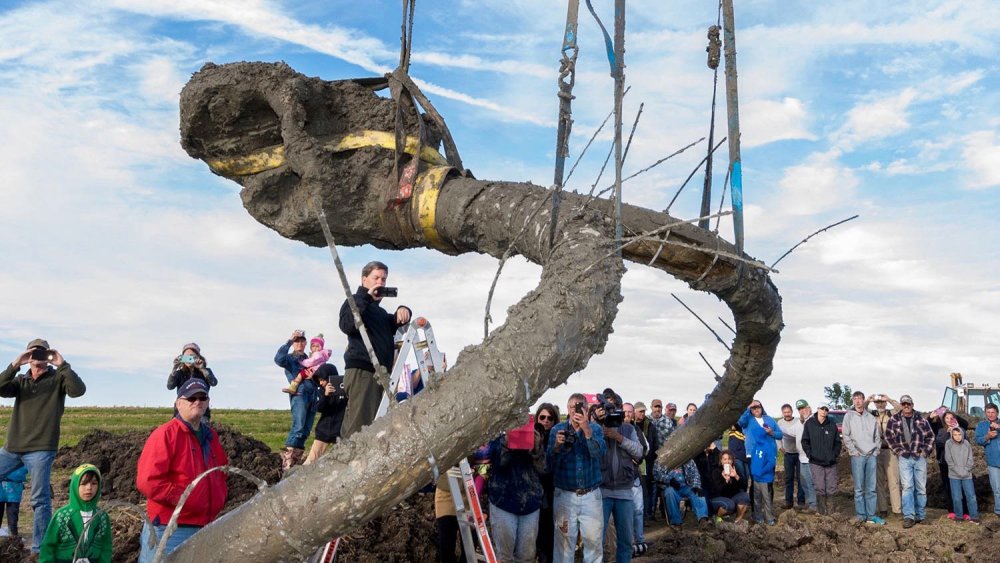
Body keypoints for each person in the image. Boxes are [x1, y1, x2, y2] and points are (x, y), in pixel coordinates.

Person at [0, 338, 86, 553]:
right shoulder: (20, 381)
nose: (37, 358)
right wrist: (15, 363)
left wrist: (62, 364)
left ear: (49, 356)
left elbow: (78, 391)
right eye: (33, 353)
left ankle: (40, 549)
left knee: (40, 499)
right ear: (28, 356)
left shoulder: (58, 379)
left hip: (41, 448)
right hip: (13, 447)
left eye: (42, 354)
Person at [136, 379, 228, 562]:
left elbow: (222, 472)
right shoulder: (165, 434)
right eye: (191, 398)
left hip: (205, 526)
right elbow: (148, 481)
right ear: (179, 403)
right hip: (170, 528)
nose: (197, 401)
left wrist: (219, 496)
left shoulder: (211, 436)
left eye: (202, 397)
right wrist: (184, 498)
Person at [339, 261, 412, 439]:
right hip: (363, 370)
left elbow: (390, 324)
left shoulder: (378, 312)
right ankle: (347, 463)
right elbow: (347, 324)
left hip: (379, 373)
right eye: (376, 278)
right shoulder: (354, 300)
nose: (380, 283)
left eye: (384, 279)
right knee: (359, 426)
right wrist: (367, 298)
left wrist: (403, 311)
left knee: (374, 424)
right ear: (364, 279)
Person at [546, 393, 606, 563]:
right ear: (567, 409)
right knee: (563, 547)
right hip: (565, 495)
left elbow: (599, 453)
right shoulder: (558, 430)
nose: (575, 411)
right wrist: (557, 446)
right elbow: (549, 465)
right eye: (572, 407)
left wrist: (586, 430)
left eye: (579, 407)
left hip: (591, 495)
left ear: (586, 409)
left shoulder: (595, 429)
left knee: (594, 545)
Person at [487, 425, 545, 563]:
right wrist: (507, 443)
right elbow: (498, 463)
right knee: (504, 557)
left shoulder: (534, 432)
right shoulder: (497, 433)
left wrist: (537, 449)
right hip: (503, 501)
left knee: (527, 557)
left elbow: (544, 469)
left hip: (530, 503)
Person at [595, 392, 642, 563]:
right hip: (602, 491)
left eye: (614, 407)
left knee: (626, 541)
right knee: (597, 540)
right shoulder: (596, 427)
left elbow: (639, 452)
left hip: (624, 492)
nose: (611, 412)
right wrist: (596, 424)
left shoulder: (629, 429)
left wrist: (619, 438)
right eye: (607, 408)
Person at [39, 463, 112, 563]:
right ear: (75, 485)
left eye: (94, 483)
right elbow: (48, 546)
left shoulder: (102, 516)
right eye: (83, 483)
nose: (89, 487)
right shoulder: (62, 515)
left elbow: (106, 546)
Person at [884, 394, 935, 528]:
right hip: (905, 458)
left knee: (921, 488)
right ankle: (908, 516)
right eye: (904, 404)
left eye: (909, 404)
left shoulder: (922, 420)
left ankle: (921, 515)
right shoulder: (894, 419)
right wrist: (898, 450)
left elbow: (930, 436)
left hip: (919, 458)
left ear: (912, 405)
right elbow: (888, 436)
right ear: (901, 405)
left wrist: (924, 452)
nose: (906, 406)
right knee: (907, 487)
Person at [274, 330, 316, 471]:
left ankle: (295, 462)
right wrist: (289, 341)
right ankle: (287, 463)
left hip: (313, 395)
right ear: (293, 343)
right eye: (297, 341)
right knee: (298, 427)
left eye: (302, 341)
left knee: (305, 430)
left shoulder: (310, 359)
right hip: (299, 395)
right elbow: (278, 359)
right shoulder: (290, 359)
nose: (300, 343)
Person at [842, 391, 884, 525]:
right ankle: (861, 515)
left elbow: (877, 435)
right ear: (853, 401)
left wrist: (876, 450)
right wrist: (853, 451)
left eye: (860, 398)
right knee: (859, 488)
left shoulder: (871, 417)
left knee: (871, 488)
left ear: (864, 400)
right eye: (855, 399)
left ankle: (871, 516)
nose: (858, 401)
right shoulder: (848, 416)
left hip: (871, 455)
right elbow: (846, 435)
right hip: (858, 456)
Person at [738, 400, 782, 525]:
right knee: (756, 485)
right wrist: (747, 408)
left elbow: (779, 435)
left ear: (762, 407)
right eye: (753, 407)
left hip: (769, 455)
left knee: (768, 483)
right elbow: (740, 422)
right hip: (754, 455)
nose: (756, 409)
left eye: (758, 406)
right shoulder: (747, 420)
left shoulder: (770, 420)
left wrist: (771, 433)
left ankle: (769, 512)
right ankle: (756, 512)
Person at [303, 364, 347, 465]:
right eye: (319, 380)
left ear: (330, 377)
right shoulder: (320, 391)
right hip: (323, 432)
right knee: (310, 462)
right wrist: (326, 395)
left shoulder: (345, 388)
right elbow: (319, 408)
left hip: (341, 433)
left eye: (323, 379)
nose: (321, 383)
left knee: (342, 462)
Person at [801, 404, 841, 516]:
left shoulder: (832, 425)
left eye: (826, 409)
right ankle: (822, 512)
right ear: (817, 409)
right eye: (822, 408)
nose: (824, 411)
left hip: (830, 462)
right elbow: (805, 441)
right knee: (819, 487)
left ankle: (831, 512)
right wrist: (810, 455)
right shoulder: (810, 424)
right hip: (816, 462)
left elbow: (837, 442)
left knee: (831, 487)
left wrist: (834, 455)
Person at [534, 403, 559, 563]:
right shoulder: (530, 437)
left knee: (548, 536)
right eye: (542, 417)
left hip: (551, 493)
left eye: (550, 418)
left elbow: (550, 467)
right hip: (532, 492)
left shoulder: (556, 438)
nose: (546, 421)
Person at [933, 409, 970, 518]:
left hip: (959, 463)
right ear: (944, 420)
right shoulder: (941, 431)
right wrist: (948, 433)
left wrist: (956, 431)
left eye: (951, 418)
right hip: (944, 463)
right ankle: (952, 510)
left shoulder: (960, 429)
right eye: (947, 418)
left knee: (962, 487)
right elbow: (939, 443)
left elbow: (966, 441)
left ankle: (966, 511)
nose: (949, 420)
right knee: (948, 487)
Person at [622, 403, 647, 557]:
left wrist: (637, 458)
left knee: (638, 510)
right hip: (620, 479)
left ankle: (639, 541)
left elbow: (644, 449)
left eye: (630, 412)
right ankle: (628, 542)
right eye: (625, 412)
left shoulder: (637, 430)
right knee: (625, 512)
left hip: (635, 476)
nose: (628, 415)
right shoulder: (615, 429)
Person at [870, 393, 902, 517]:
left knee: (893, 480)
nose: (880, 404)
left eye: (882, 402)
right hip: (876, 451)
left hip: (890, 451)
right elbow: (856, 409)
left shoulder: (891, 414)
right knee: (879, 482)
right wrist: (868, 400)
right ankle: (883, 508)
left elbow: (900, 409)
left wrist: (889, 399)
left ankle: (897, 509)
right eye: (877, 402)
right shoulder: (871, 415)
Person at [167, 342, 218, 420]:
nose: (189, 359)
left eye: (192, 357)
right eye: (186, 357)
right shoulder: (179, 373)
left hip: (200, 409)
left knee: (200, 430)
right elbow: (170, 386)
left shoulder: (205, 371)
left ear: (198, 357)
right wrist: (174, 369)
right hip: (181, 411)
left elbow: (213, 383)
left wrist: (202, 369)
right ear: (182, 358)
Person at [656, 458, 709, 528]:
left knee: (698, 491)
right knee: (669, 492)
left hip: (687, 485)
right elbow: (657, 474)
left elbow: (695, 474)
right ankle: (676, 523)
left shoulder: (688, 458)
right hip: (671, 486)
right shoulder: (663, 458)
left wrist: (696, 486)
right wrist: (669, 480)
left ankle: (703, 519)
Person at [786, 400, 818, 512]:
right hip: (801, 457)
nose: (802, 411)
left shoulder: (814, 421)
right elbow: (787, 431)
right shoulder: (800, 423)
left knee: (812, 482)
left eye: (804, 408)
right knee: (805, 482)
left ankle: (814, 505)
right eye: (800, 409)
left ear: (809, 408)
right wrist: (773, 428)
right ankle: (810, 503)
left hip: (811, 458)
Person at [944, 427, 978, 524]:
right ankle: (958, 516)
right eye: (955, 435)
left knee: (971, 496)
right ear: (952, 435)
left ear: (962, 434)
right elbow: (949, 460)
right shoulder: (948, 444)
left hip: (967, 475)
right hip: (954, 475)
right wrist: (958, 471)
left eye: (959, 434)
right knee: (957, 497)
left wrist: (966, 470)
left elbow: (970, 459)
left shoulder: (966, 444)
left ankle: (974, 516)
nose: (957, 437)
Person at [707, 450, 751, 523]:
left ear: (732, 461)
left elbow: (743, 486)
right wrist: (726, 481)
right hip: (718, 498)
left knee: (745, 497)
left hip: (732, 497)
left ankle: (737, 520)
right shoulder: (716, 471)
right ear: (721, 461)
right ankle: (717, 517)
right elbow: (717, 490)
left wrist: (736, 476)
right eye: (725, 459)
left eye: (729, 459)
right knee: (729, 504)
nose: (727, 461)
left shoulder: (735, 470)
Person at [648, 399, 674, 520]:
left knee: (664, 484)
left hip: (663, 458)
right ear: (651, 407)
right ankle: (651, 513)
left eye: (659, 407)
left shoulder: (668, 422)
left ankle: (665, 512)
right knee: (651, 486)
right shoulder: (647, 420)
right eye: (655, 407)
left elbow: (672, 439)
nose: (657, 409)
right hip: (649, 457)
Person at [776, 403, 805, 510]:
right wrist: (780, 447)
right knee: (789, 478)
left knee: (801, 478)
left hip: (799, 453)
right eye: (785, 412)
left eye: (788, 412)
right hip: (787, 453)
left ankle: (801, 501)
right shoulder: (780, 422)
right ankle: (789, 501)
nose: (787, 414)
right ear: (782, 413)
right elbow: (777, 436)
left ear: (792, 412)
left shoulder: (798, 421)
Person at [973, 403, 1000, 518]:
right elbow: (978, 440)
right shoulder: (981, 425)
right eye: (988, 412)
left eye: (993, 412)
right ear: (985, 413)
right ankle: (999, 510)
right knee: (997, 488)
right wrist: (987, 436)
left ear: (997, 413)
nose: (991, 414)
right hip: (993, 461)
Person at [632, 401, 658, 522]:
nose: (642, 414)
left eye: (644, 411)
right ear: (635, 411)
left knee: (646, 488)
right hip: (633, 462)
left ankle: (646, 514)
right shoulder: (630, 425)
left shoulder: (650, 425)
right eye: (640, 411)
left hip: (647, 461)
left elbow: (654, 444)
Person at [0, 466, 27, 538]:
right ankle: (13, 535)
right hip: (14, 486)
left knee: (13, 513)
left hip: (14, 487)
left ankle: (13, 537)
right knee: (13, 513)